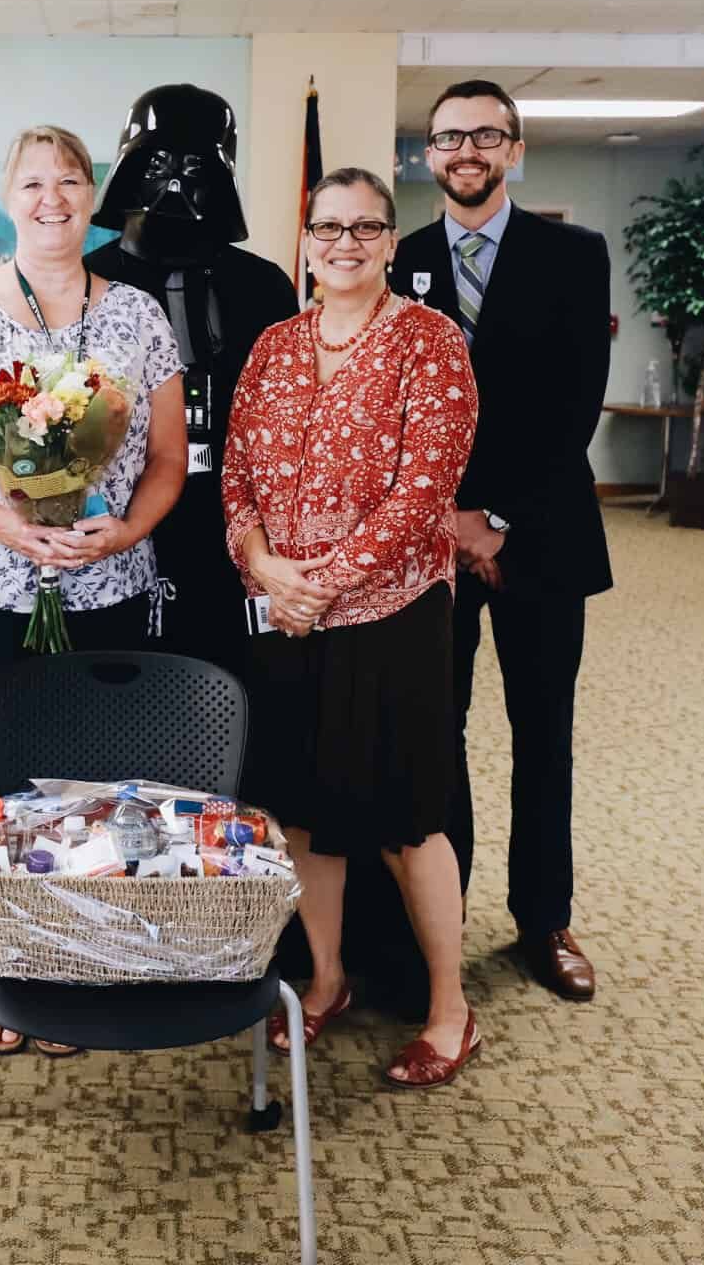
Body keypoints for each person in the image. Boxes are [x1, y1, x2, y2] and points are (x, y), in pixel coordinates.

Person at [0, 124, 187, 1057]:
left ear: (93, 196)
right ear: (7, 196)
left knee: (85, 786)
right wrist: (8, 524)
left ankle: (65, 960)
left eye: (69, 181)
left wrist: (128, 530)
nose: (51, 198)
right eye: (33, 182)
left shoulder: (137, 313)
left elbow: (170, 459)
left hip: (106, 588)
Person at [223, 166, 482, 1088]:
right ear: (305, 240)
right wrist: (259, 562)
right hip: (284, 613)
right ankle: (326, 979)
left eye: (365, 228)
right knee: (302, 811)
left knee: (409, 819)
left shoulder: (431, 343)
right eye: (328, 228)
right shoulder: (274, 346)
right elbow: (237, 475)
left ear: (391, 240)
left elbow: (425, 495)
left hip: (392, 616)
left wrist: (321, 585)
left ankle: (451, 1008)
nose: (344, 244)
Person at [388, 79, 613, 1003]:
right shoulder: (398, 260)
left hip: (544, 532)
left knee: (541, 733)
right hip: (430, 545)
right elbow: (391, 412)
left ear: (514, 150)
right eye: (449, 138)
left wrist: (498, 517)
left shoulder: (573, 253)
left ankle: (543, 919)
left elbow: (575, 402)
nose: (466, 150)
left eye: (486, 134)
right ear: (429, 156)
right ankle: (449, 912)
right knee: (436, 732)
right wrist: (445, 517)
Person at [82, 84, 299, 678]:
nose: (174, 183)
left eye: (194, 166)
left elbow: (293, 413)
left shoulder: (264, 288)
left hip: (234, 528)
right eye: (156, 164)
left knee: (233, 692)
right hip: (117, 523)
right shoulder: (87, 283)